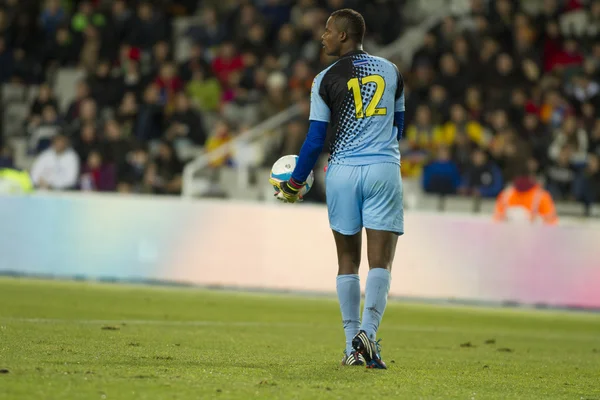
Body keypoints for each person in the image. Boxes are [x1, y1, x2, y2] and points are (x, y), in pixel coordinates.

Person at [269, 9, 404, 369]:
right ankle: (369, 335)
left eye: (328, 31)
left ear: (344, 35)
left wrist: (295, 182)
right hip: (383, 170)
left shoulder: (324, 79)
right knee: (382, 261)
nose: (322, 37)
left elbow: (314, 141)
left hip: (342, 171)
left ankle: (351, 347)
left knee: (347, 260)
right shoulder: (392, 71)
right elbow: (399, 126)